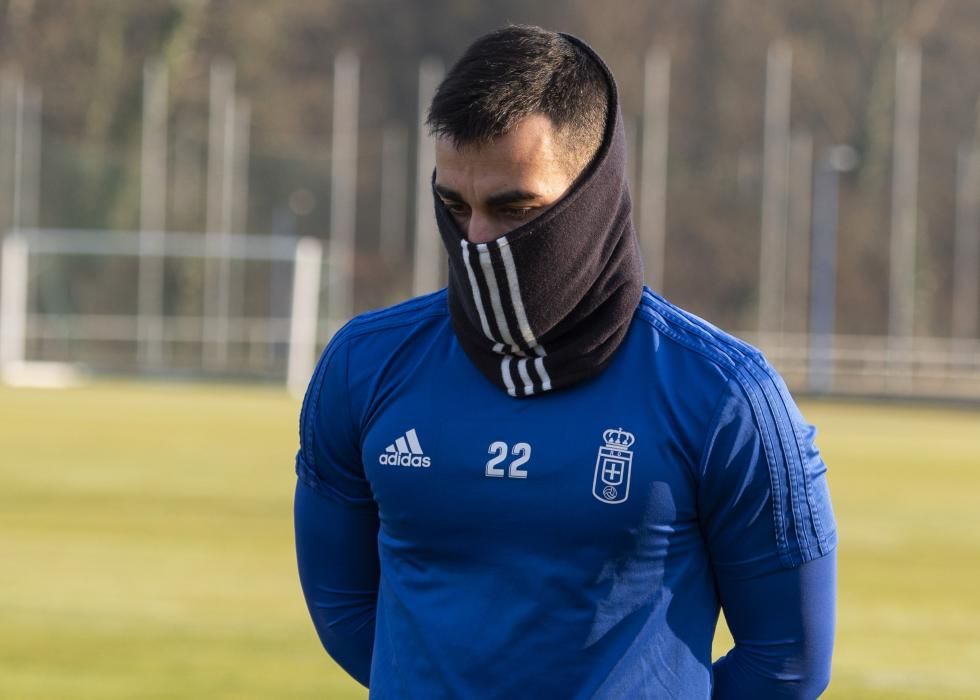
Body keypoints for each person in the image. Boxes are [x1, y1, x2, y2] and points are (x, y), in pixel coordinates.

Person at [294, 25, 837, 699]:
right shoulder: (365, 366)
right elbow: (344, 610)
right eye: (454, 205)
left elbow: (786, 662)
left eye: (513, 208)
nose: (478, 239)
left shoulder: (726, 396)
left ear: (593, 194)